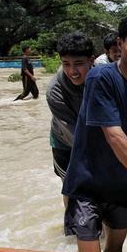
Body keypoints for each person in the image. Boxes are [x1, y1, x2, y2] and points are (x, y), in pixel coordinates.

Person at [62, 12, 127, 252]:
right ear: (120, 44)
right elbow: (114, 135)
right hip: (88, 187)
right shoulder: (101, 77)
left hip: (121, 189)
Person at [46, 32, 95, 206]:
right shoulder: (55, 91)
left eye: (78, 64)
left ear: (91, 60)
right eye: (66, 64)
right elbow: (74, 134)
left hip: (95, 136)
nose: (72, 71)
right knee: (71, 187)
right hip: (65, 144)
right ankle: (71, 227)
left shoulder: (102, 78)